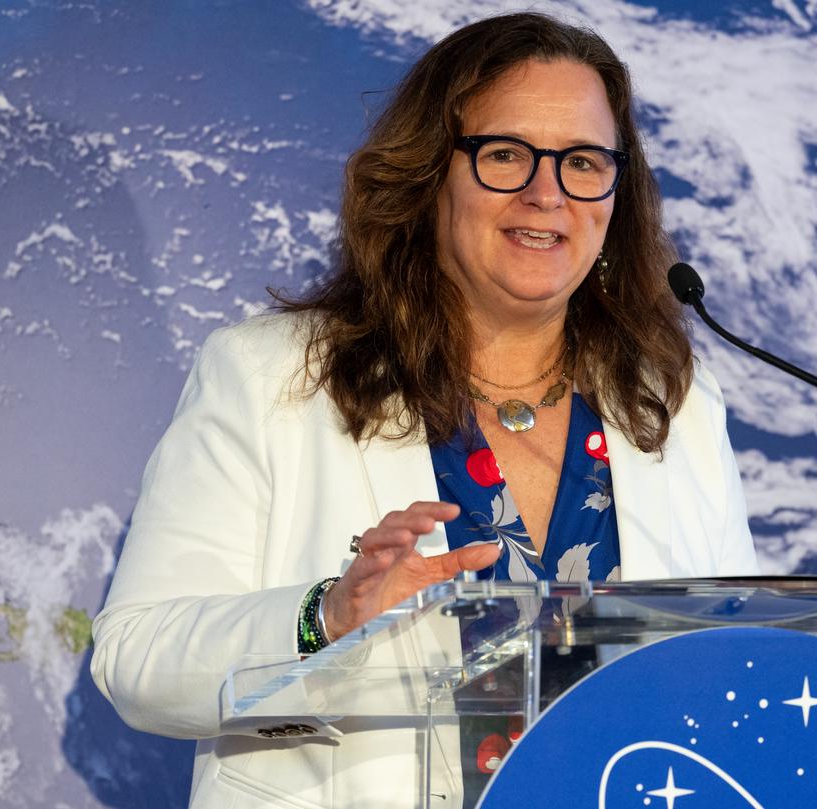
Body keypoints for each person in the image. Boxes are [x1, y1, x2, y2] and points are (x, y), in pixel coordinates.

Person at [91, 11, 758, 808]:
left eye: (583, 162)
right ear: (429, 177)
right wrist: (326, 618)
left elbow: (735, 670)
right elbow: (135, 660)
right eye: (506, 155)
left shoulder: (671, 404)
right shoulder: (272, 376)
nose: (547, 194)